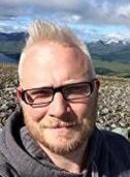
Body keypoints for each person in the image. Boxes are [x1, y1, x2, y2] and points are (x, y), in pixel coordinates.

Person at [0, 20, 130, 177]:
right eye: (41, 93)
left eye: (74, 90)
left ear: (96, 91)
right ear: (21, 98)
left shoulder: (122, 151)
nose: (59, 110)